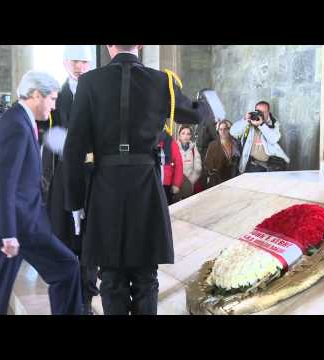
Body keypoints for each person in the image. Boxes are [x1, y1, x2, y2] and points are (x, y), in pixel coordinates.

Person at [61, 45, 210, 315]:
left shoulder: (89, 82)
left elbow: (74, 146)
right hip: (146, 186)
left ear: (109, 46)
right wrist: (208, 99)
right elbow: (197, 115)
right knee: (145, 276)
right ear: (140, 45)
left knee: (111, 277)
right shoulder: (162, 81)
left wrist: (74, 201)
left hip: (105, 187)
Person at [0, 70, 82, 315]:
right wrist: (8, 234)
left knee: (66, 268)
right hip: (12, 228)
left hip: (24, 223)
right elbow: (4, 182)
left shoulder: (20, 120)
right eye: (52, 99)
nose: (54, 106)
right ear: (36, 95)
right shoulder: (16, 124)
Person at [43, 45, 98, 315]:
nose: (80, 67)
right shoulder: (55, 96)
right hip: (65, 174)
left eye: (85, 63)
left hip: (94, 174)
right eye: (76, 62)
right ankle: (70, 296)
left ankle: (88, 296)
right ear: (65, 63)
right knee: (66, 237)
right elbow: (48, 136)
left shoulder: (99, 92)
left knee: (91, 239)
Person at [230, 101, 289, 174]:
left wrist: (261, 125)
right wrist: (245, 120)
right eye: (258, 111)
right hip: (248, 165)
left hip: (264, 167)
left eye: (263, 112)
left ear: (268, 112)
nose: (261, 114)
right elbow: (233, 132)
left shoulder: (273, 124)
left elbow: (274, 139)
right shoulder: (250, 122)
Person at [205, 120, 240, 188]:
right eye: (220, 129)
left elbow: (239, 161)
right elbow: (208, 164)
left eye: (225, 129)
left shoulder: (235, 143)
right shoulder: (213, 145)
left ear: (228, 130)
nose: (223, 131)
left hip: (232, 180)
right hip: (217, 181)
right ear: (218, 131)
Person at [177, 125, 202, 199]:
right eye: (183, 133)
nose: (185, 136)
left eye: (188, 134)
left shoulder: (194, 149)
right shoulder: (174, 148)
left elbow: (198, 169)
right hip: (177, 187)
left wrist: (189, 183)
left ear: (191, 136)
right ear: (179, 135)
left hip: (191, 186)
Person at [158, 130, 183, 205]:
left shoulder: (170, 141)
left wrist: (176, 184)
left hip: (165, 183)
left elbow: (178, 164)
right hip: (150, 182)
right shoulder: (145, 138)